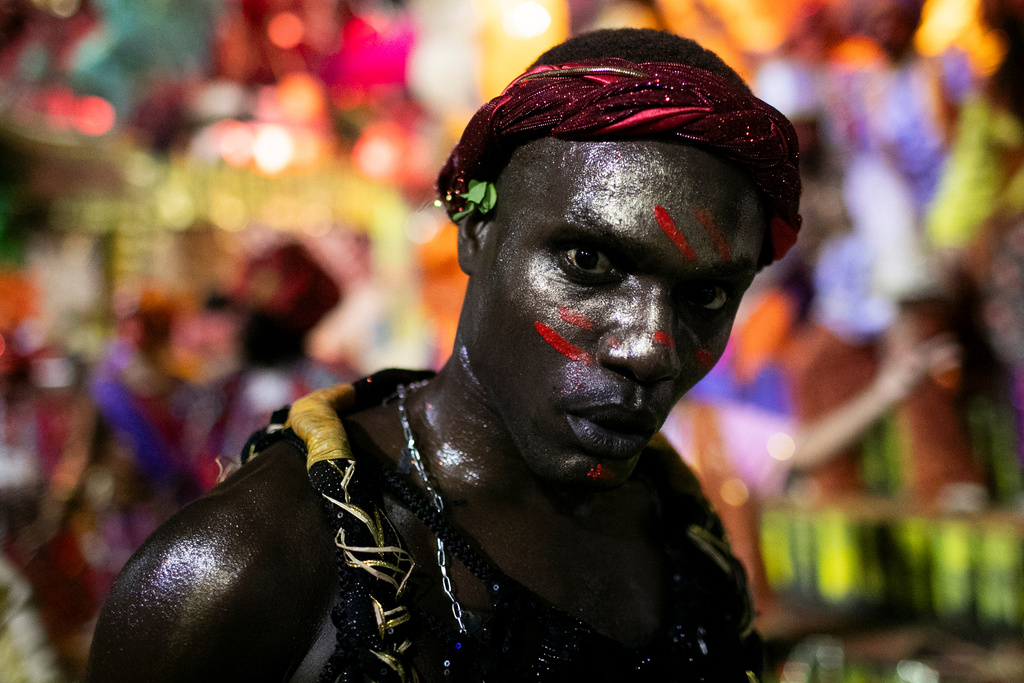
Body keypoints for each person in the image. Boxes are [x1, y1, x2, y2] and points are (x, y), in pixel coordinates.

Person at [84, 28, 800, 682]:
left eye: (706, 295)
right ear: (473, 228)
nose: (650, 348)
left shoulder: (687, 542)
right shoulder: (244, 568)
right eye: (588, 259)